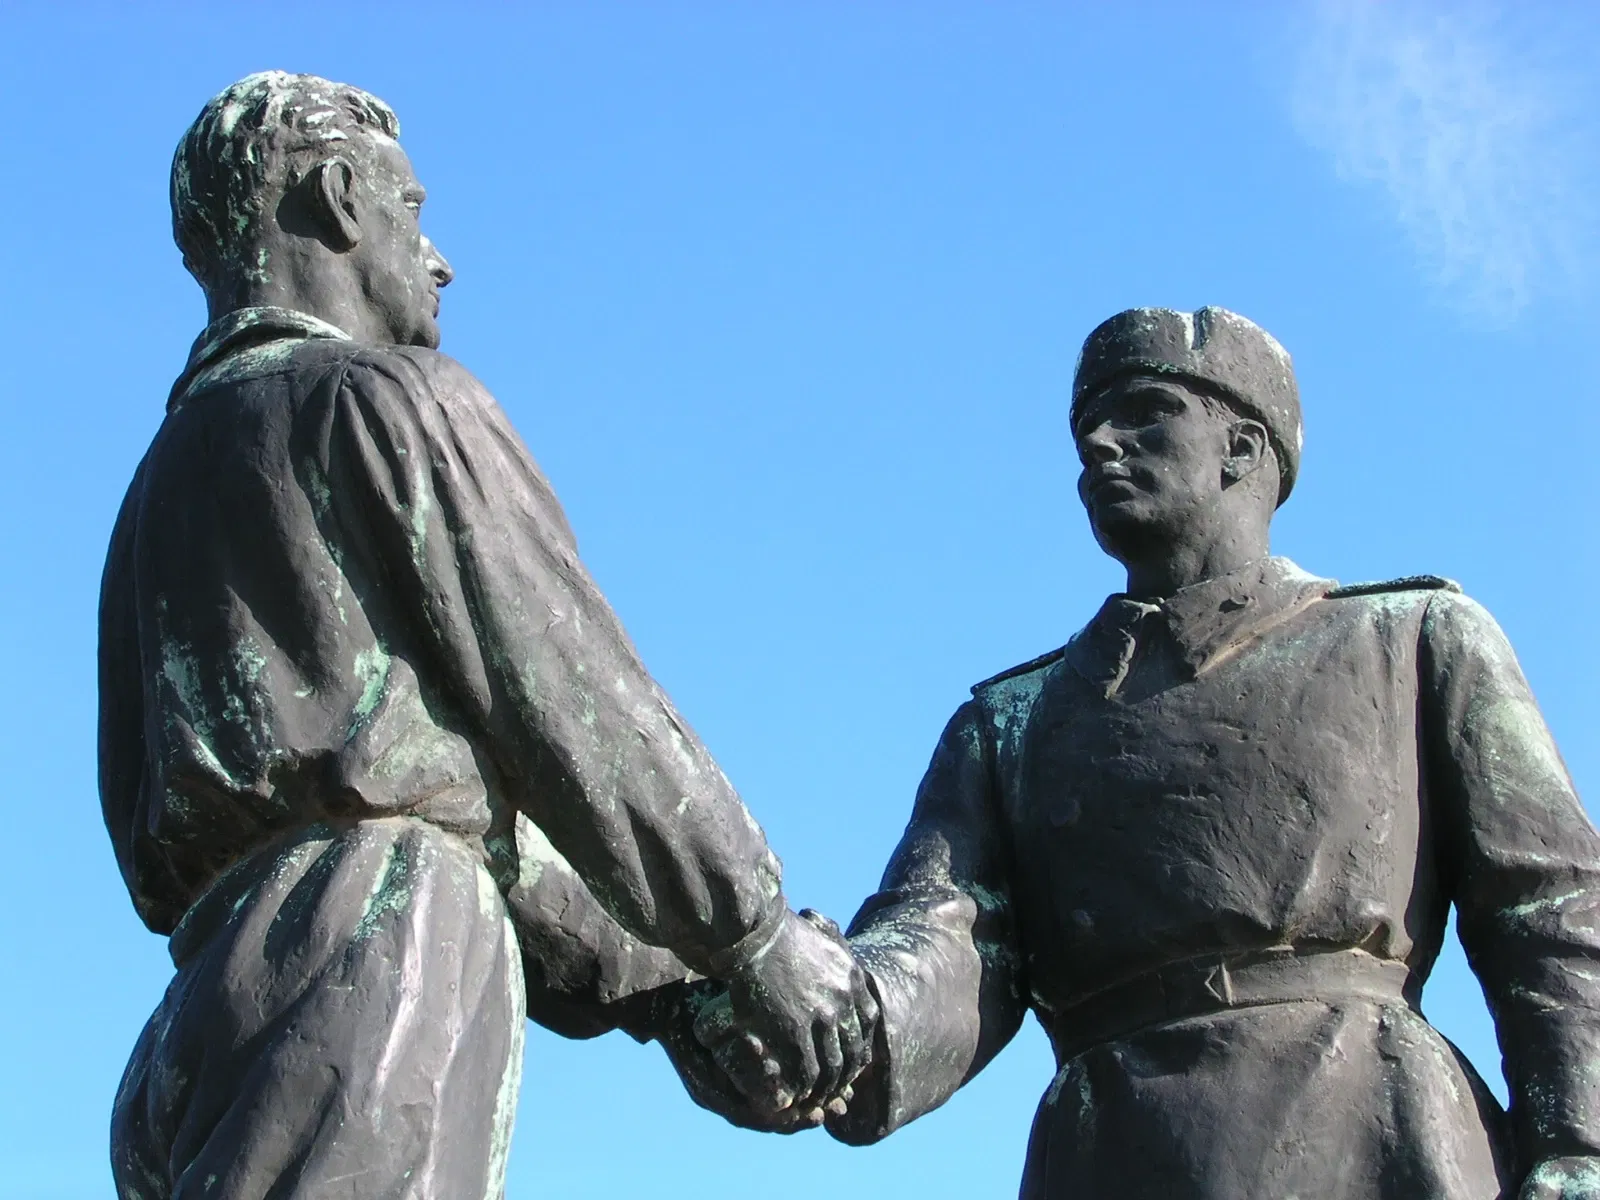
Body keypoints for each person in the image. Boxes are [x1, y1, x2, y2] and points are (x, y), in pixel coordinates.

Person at [99, 71, 873, 1199]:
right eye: (413, 210)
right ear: (339, 199)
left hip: (194, 1020)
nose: (441, 255)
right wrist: (749, 938)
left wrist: (669, 989)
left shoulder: (152, 494)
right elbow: (571, 704)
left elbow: (462, 791)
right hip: (369, 971)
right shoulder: (388, 400)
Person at [704, 307, 1600, 1199]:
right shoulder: (1008, 724)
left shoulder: (1411, 640)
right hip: (1117, 1153)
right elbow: (948, 941)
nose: (1098, 443)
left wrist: (1579, 1151)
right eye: (1087, 424)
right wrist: (828, 1018)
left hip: (1377, 1132)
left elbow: (1550, 910)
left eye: (1144, 411)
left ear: (1241, 448)